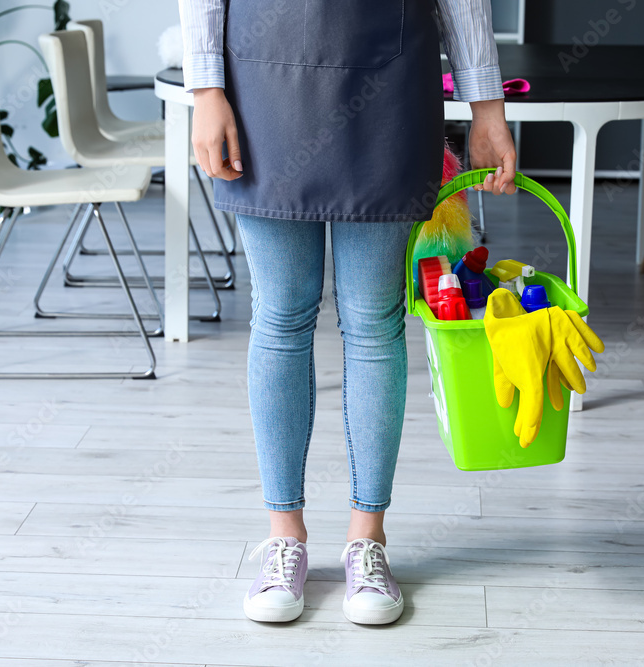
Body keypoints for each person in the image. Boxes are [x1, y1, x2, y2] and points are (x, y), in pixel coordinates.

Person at [178, 0, 517, 625]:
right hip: (261, 79)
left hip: (389, 76)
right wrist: (205, 88)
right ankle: (286, 537)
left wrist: (487, 108)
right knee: (279, 316)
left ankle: (369, 539)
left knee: (374, 320)